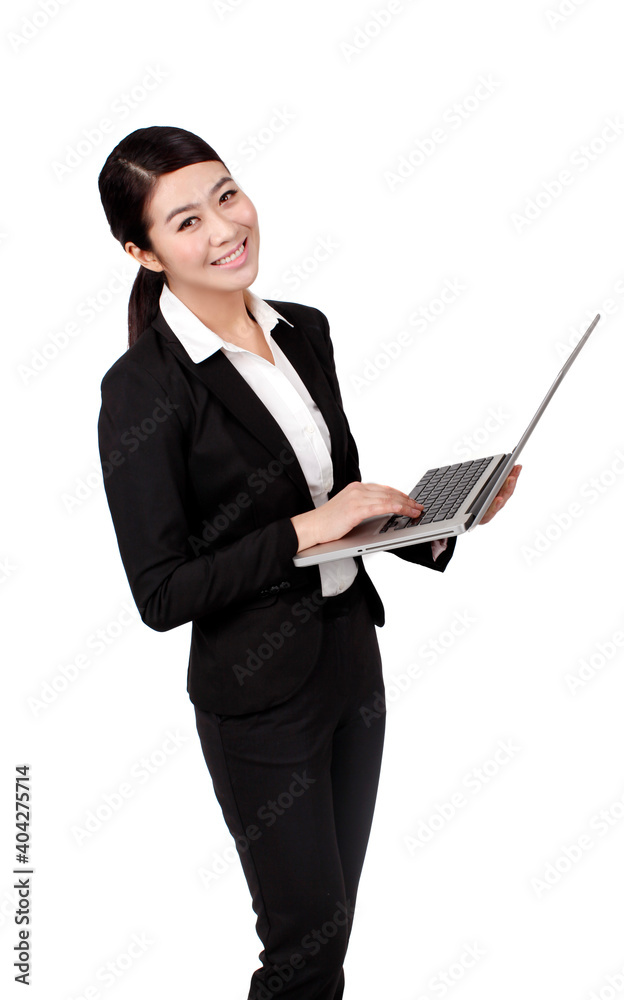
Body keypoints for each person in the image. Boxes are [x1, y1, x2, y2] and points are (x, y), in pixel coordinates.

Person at [96, 125, 521, 1000]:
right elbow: (161, 591)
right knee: (301, 955)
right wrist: (306, 526)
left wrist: (433, 525)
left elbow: (339, 502)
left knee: (331, 937)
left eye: (226, 194)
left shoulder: (305, 330)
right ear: (142, 252)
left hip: (348, 663)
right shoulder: (142, 389)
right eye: (185, 222)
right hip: (258, 703)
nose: (224, 228)